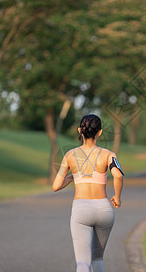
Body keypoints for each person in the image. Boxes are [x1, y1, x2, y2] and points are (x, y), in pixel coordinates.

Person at [52, 114, 124, 272]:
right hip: (104, 210)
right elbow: (118, 175)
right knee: (97, 258)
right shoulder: (108, 154)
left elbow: (56, 186)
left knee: (83, 263)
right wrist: (117, 198)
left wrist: (73, 176)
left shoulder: (69, 155)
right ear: (99, 132)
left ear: (80, 131)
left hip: (81, 209)